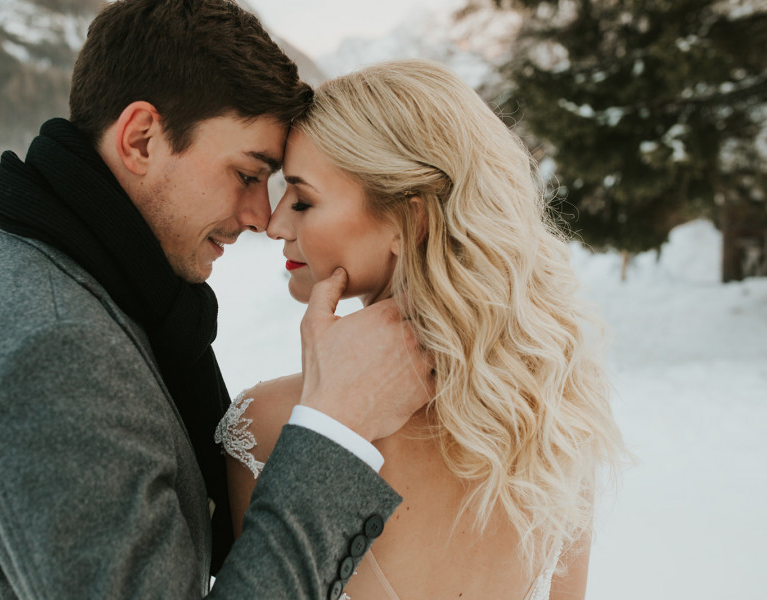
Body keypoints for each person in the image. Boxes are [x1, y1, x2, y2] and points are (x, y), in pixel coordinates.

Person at [0, 2, 432, 598]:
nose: (262, 217)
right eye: (247, 174)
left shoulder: (47, 278)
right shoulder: (54, 349)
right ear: (141, 139)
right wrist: (337, 429)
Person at [216, 60, 626, 600]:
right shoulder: (554, 418)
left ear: (411, 220)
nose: (274, 224)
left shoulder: (269, 427)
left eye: (304, 199)